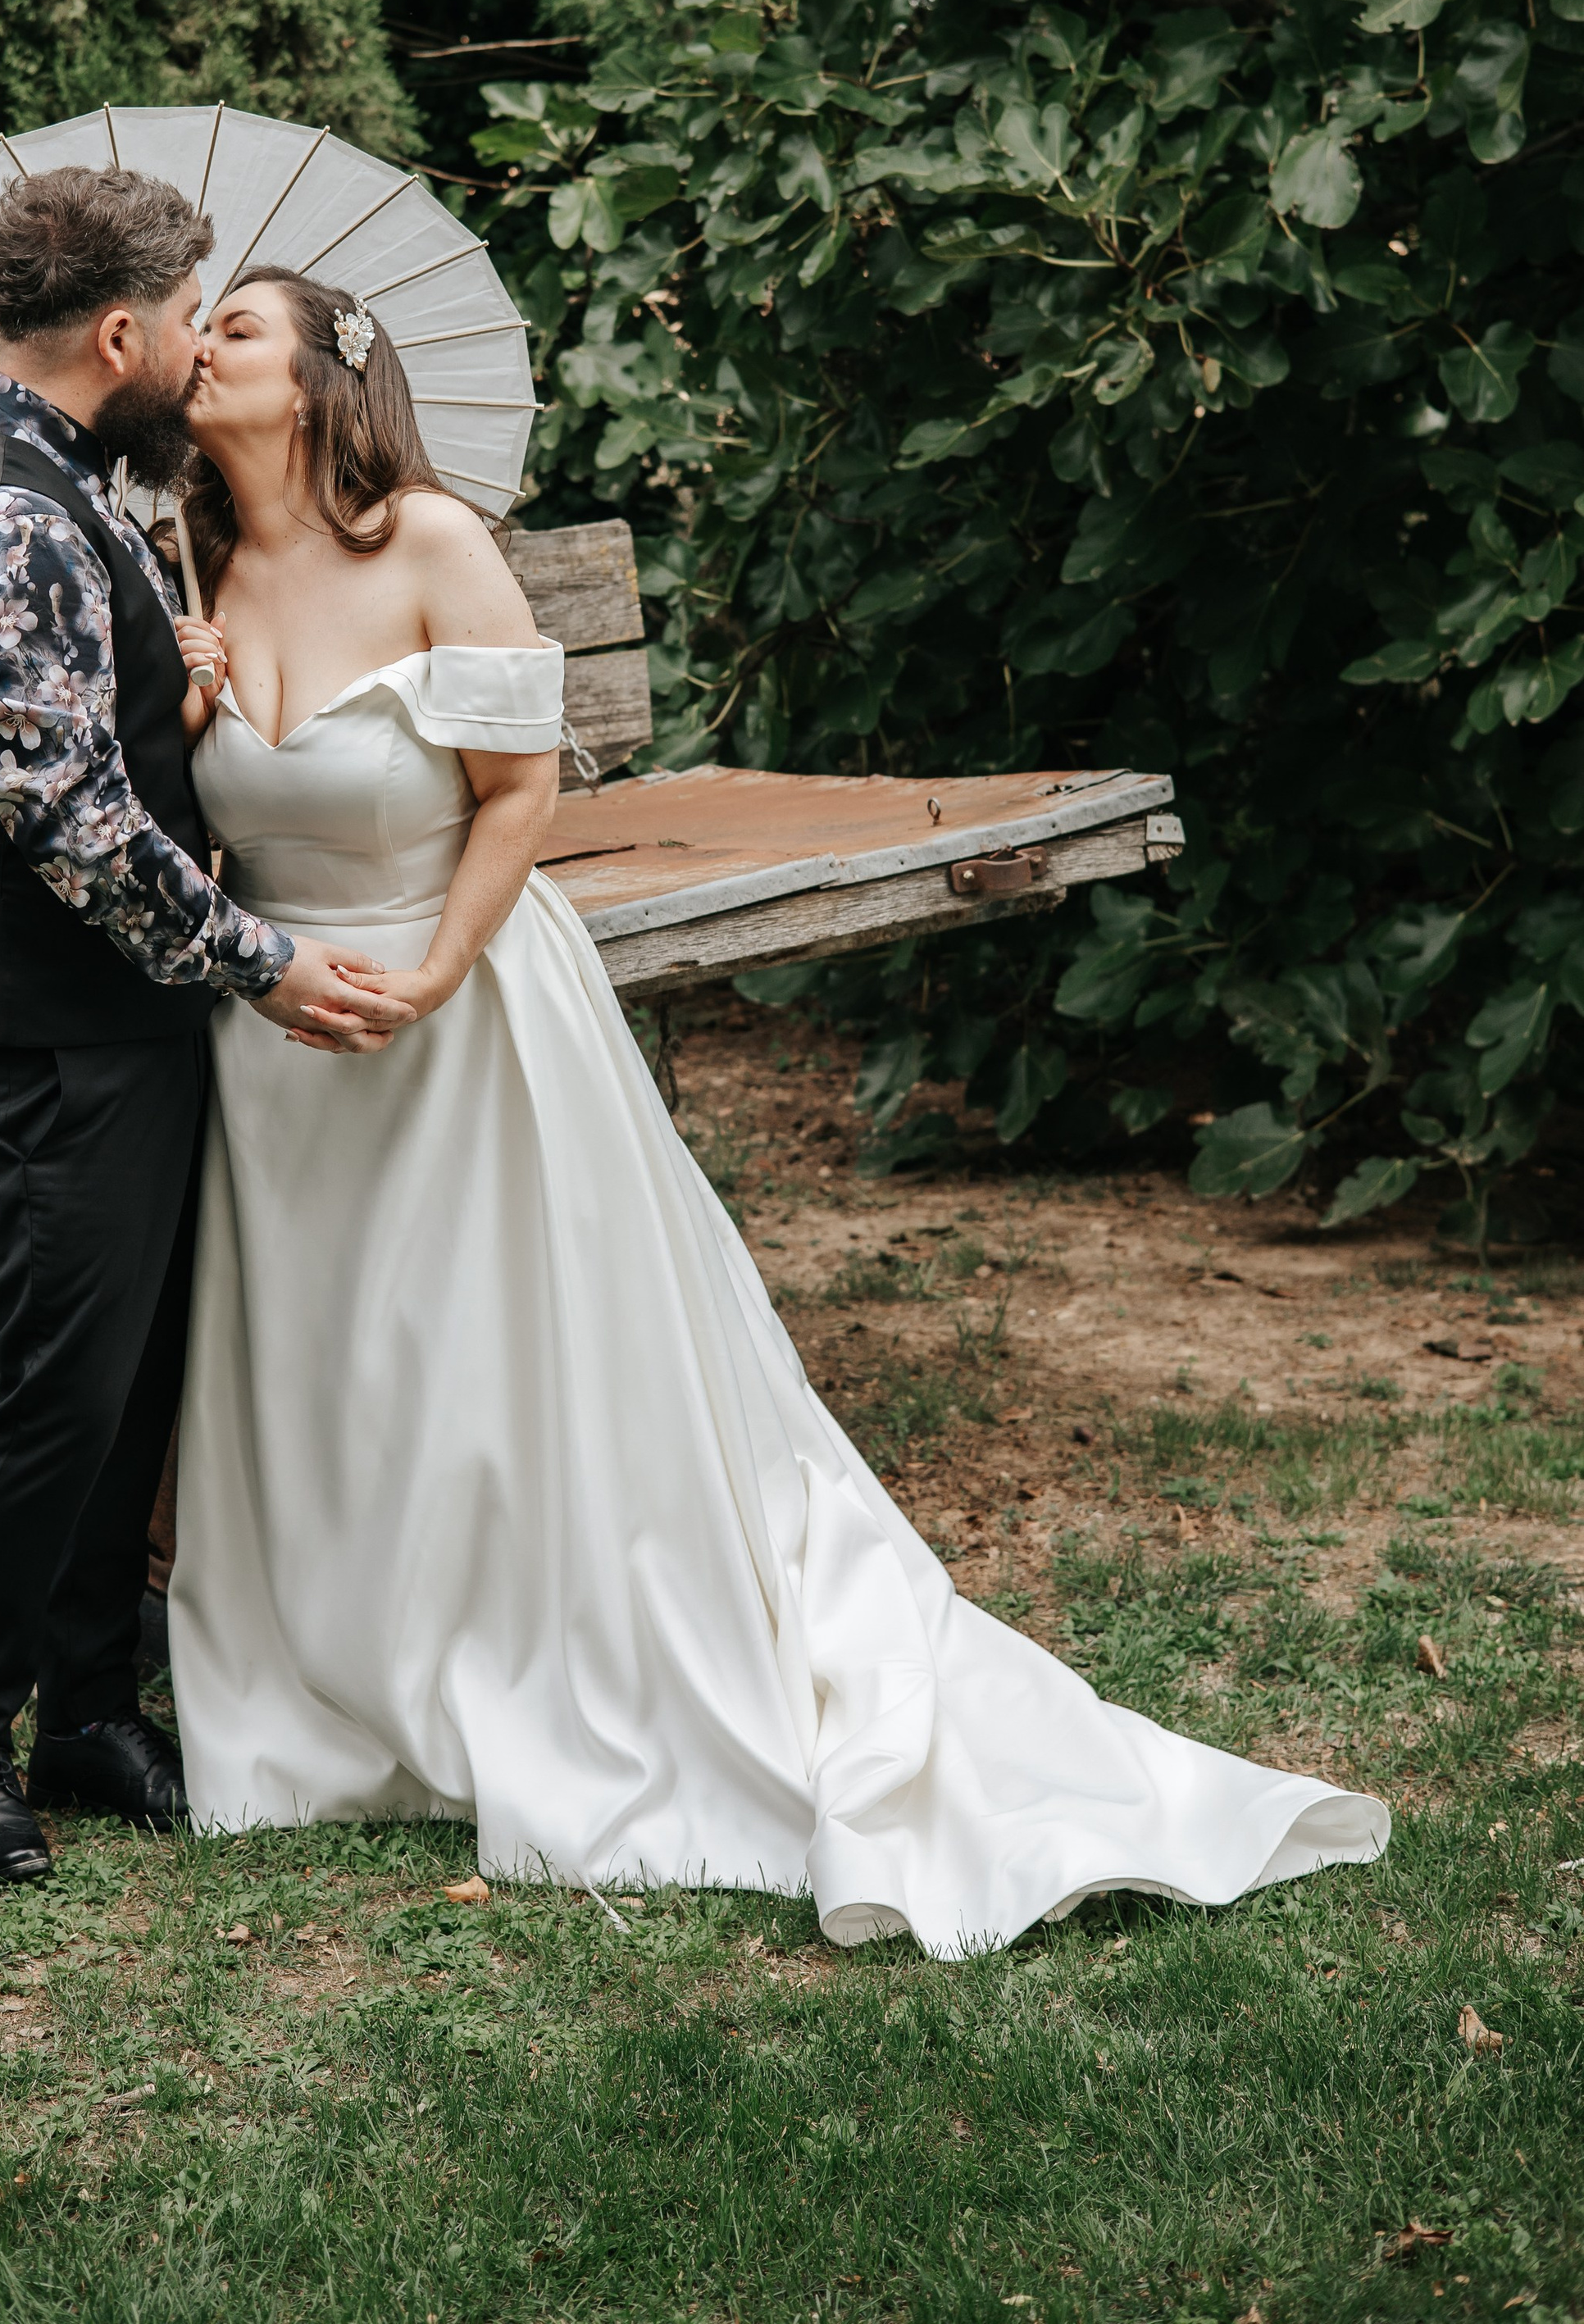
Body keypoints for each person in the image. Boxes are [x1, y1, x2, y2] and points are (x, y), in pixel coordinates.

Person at [162, 266, 1391, 1956]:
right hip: (279, 1039)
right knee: (335, 1373)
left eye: (233, 326)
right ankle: (352, 1693)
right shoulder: (192, 575)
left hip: (466, 1013)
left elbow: (518, 795)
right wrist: (180, 711)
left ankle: (562, 1667)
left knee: (501, 1365)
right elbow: (193, 834)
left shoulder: (431, 543)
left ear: (313, 383)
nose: (196, 345)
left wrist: (438, 973)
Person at [0, 170, 408, 1886]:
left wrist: (161, 686)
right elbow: (70, 829)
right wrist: (261, 964)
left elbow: (89, 751)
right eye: (187, 317)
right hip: (32, 1029)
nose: (193, 344)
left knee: (135, 1372)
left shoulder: (77, 496)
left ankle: (94, 1713)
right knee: (47, 1386)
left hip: (121, 1017)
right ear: (124, 332)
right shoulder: (4, 515)